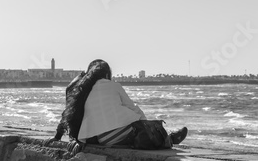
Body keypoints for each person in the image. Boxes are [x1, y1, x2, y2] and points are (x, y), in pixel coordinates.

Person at [45, 59, 188, 155]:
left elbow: (68, 113)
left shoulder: (81, 89)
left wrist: (59, 137)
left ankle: (168, 137)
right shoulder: (113, 85)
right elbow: (134, 108)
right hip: (114, 136)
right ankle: (170, 139)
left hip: (98, 139)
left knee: (134, 134)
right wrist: (145, 124)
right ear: (107, 74)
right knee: (147, 134)